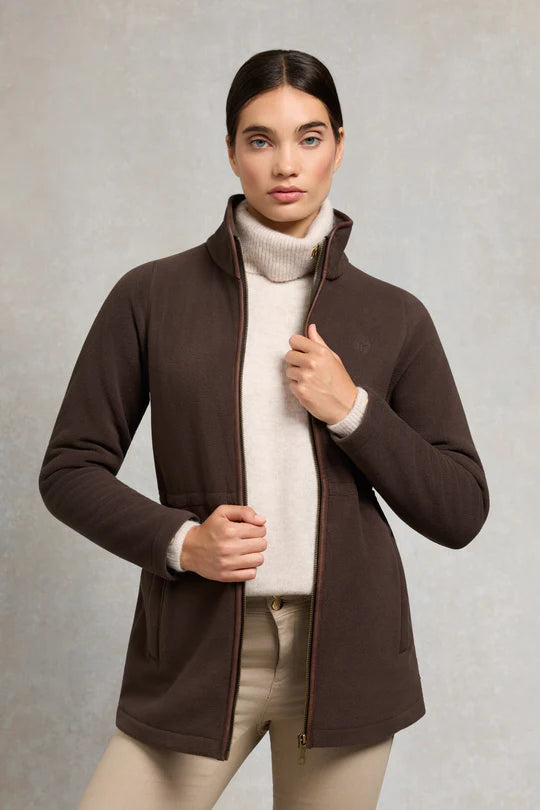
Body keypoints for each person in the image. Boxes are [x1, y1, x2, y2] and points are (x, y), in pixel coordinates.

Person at [38, 49, 490, 809]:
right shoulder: (151, 296)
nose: (286, 164)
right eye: (260, 139)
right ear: (230, 152)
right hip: (196, 649)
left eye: (309, 138)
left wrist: (353, 411)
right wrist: (183, 541)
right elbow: (69, 469)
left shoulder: (395, 316)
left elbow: (460, 509)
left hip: (346, 654)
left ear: (339, 146)